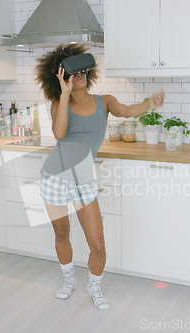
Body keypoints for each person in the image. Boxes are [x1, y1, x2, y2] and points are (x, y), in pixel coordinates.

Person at [36, 43, 164, 310]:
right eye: (72, 70)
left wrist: (150, 103)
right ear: (60, 74)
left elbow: (126, 111)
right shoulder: (58, 103)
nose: (80, 73)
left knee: (98, 245)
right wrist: (65, 92)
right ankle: (69, 281)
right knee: (62, 233)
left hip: (83, 181)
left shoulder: (104, 101)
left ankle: (94, 287)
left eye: (82, 68)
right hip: (54, 177)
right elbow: (59, 134)